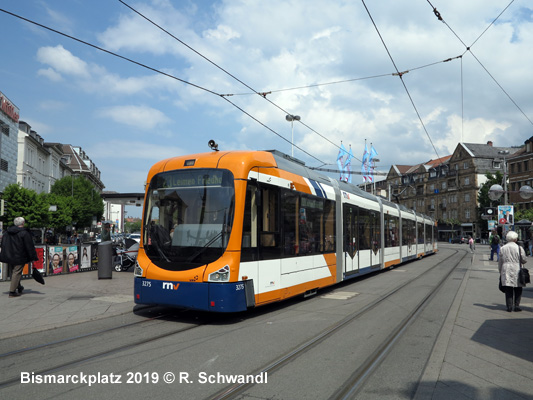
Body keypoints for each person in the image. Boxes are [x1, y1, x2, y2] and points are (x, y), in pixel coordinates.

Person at [0, 217, 39, 298]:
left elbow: (3, 244)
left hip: (9, 255)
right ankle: (12, 291)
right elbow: (29, 246)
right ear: (23, 223)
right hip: (20, 255)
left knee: (14, 272)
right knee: (16, 272)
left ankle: (19, 286)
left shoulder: (7, 232)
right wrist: (33, 257)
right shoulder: (24, 233)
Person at [499, 231, 527, 312]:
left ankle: (509, 306)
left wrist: (500, 270)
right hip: (517, 268)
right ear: (515, 239)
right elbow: (524, 260)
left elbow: (500, 261)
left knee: (508, 288)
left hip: (506, 268)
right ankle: (517, 305)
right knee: (518, 288)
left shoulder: (503, 248)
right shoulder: (519, 248)